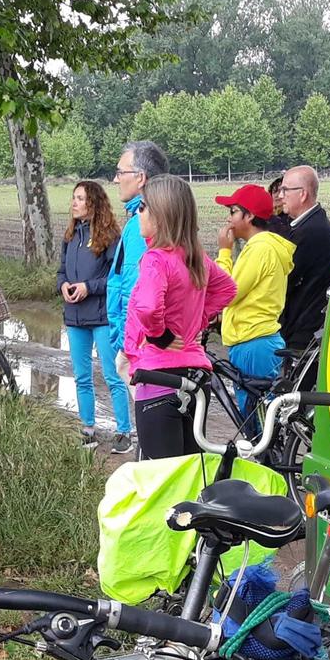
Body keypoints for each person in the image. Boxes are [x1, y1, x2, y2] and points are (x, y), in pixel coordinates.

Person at [121, 175, 236, 460]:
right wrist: (198, 320)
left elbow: (148, 307)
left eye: (143, 207)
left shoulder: (156, 259)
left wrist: (160, 334)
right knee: (189, 470)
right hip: (195, 375)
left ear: (160, 216)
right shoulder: (194, 257)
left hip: (158, 376)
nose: (138, 212)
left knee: (161, 478)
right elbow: (227, 288)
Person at [56, 180, 132, 453]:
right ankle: (88, 429)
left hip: (101, 317)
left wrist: (89, 287)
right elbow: (61, 271)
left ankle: (124, 432)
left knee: (113, 376)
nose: (74, 203)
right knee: (82, 376)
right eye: (73, 198)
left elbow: (116, 278)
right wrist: (63, 285)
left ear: (94, 203)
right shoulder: (70, 235)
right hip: (75, 317)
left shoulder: (111, 236)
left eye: (80, 198)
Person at [211, 182, 296, 414]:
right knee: (259, 416)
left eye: (233, 212)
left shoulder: (259, 249)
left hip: (253, 342)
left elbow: (227, 292)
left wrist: (224, 252)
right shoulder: (265, 246)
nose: (229, 219)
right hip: (256, 340)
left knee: (255, 419)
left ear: (249, 216)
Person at [104, 139, 169, 347]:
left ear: (140, 178)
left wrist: (127, 345)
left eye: (121, 173)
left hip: (137, 346)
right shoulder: (168, 217)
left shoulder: (142, 224)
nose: (116, 180)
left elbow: (133, 292)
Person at [275, 165, 330, 363]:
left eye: (285, 190)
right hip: (302, 325)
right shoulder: (308, 225)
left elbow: (282, 278)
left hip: (302, 330)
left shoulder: (309, 231)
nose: (280, 195)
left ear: (303, 194)